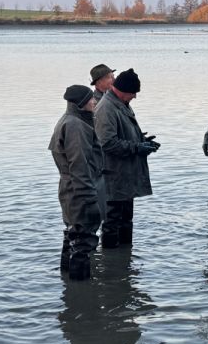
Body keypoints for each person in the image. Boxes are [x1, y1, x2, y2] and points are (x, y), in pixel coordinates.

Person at [95, 68, 158, 249]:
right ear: (122, 90)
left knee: (125, 220)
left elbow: (123, 133)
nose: (135, 97)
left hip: (125, 176)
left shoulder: (121, 103)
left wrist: (143, 141)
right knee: (112, 222)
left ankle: (124, 260)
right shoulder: (106, 108)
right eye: (133, 93)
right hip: (113, 176)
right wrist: (137, 148)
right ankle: (111, 261)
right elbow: (107, 143)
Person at [50, 84, 106, 280]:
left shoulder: (70, 120)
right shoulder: (75, 125)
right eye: (91, 99)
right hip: (78, 193)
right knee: (83, 242)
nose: (95, 101)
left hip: (70, 191)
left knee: (72, 237)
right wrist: (89, 199)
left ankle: (69, 286)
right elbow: (79, 166)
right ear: (81, 103)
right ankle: (81, 290)